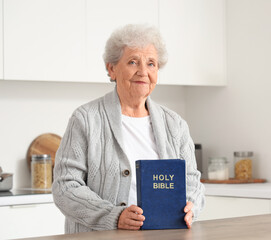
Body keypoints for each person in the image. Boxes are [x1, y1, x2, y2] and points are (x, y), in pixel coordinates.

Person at [52, 24, 205, 233]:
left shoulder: (175, 124)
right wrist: (114, 216)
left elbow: (192, 181)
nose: (143, 72)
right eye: (133, 62)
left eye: (151, 64)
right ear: (112, 69)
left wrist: (191, 206)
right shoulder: (86, 119)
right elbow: (65, 187)